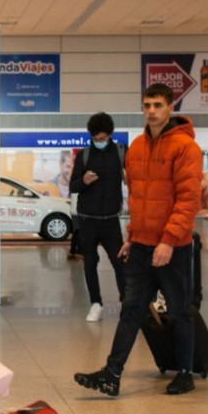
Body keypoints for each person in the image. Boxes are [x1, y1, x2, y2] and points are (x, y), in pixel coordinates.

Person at [74, 83, 203, 397]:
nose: (151, 111)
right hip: (142, 244)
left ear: (171, 107)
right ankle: (112, 373)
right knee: (131, 308)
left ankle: (185, 372)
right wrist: (132, 236)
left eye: (158, 105)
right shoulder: (136, 148)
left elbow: (188, 200)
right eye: (147, 105)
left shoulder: (186, 147)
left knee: (179, 310)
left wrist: (169, 241)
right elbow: (137, 199)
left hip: (173, 246)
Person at [69, 112, 127, 322]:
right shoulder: (84, 155)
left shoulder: (121, 152)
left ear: (110, 135)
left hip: (111, 218)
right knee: (89, 262)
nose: (99, 142)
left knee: (119, 262)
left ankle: (126, 302)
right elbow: (73, 186)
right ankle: (96, 303)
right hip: (87, 219)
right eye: (96, 139)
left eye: (103, 139)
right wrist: (83, 180)